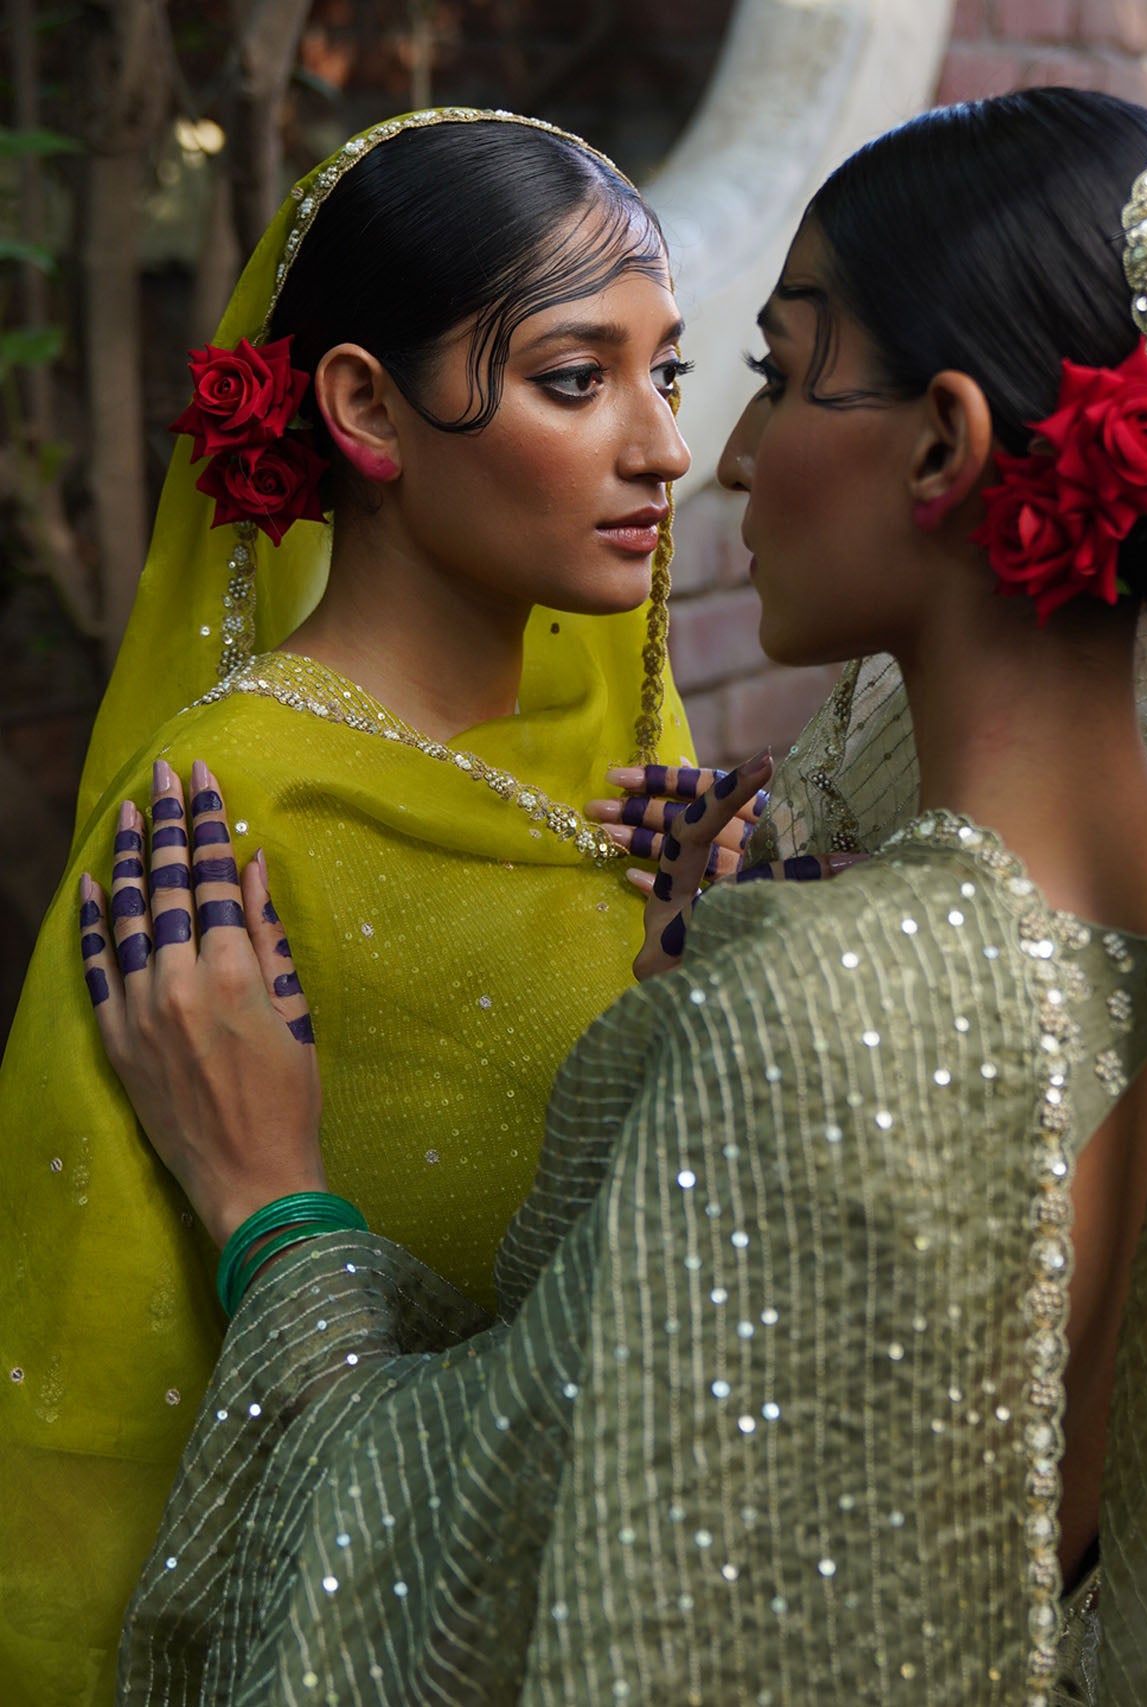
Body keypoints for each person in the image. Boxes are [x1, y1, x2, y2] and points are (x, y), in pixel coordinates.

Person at [81, 88, 1147, 1702]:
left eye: (776, 378)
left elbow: (475, 1571)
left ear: (944, 444)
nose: (712, 458)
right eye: (594, 379)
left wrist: (272, 1212)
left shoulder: (822, 1004)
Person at [0, 107, 725, 1706]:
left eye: (664, 372)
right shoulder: (224, 819)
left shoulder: (640, 794)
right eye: (573, 377)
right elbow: (100, 1401)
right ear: (365, 409)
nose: (664, 446)